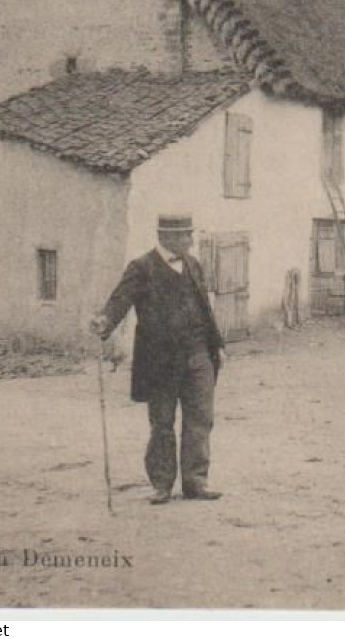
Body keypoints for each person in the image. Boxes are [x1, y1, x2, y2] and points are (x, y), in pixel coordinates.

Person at [88, 215, 226, 506]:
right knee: (162, 423)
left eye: (190, 234)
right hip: (160, 361)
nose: (190, 240)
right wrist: (105, 321)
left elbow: (204, 310)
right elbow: (120, 300)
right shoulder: (142, 267)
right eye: (186, 235)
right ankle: (162, 485)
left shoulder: (193, 264)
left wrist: (217, 346)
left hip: (198, 354)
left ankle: (196, 482)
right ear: (168, 237)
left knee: (200, 420)